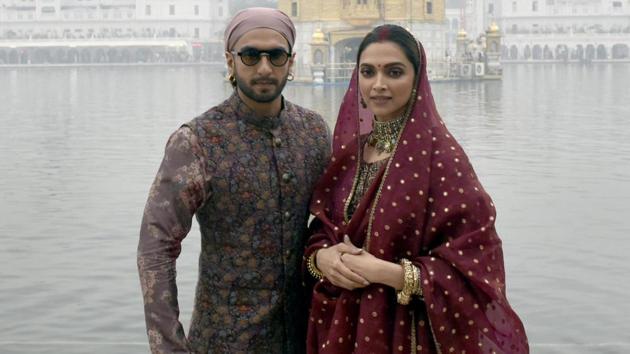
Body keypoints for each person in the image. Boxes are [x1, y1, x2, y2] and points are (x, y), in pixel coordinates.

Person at [303, 25, 528, 353]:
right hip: (339, 326)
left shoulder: (441, 158)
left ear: (417, 78)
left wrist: (387, 273)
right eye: (368, 72)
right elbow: (321, 230)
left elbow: (477, 261)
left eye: (393, 72)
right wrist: (322, 258)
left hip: (406, 331)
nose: (378, 85)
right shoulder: (351, 155)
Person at [137, 7, 331, 354]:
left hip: (305, 338)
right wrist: (168, 346)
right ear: (230, 61)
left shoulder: (313, 133)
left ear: (291, 61)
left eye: (276, 55)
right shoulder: (198, 142)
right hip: (224, 340)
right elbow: (156, 248)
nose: (264, 68)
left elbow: (332, 224)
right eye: (250, 55)